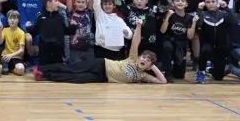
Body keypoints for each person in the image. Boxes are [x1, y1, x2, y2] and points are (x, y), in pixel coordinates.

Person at [34, 15, 166, 84]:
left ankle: (45, 75)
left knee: (76, 79)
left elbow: (162, 81)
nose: (144, 59)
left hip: (103, 77)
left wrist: (152, 66)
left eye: (147, 60)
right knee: (72, 68)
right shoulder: (132, 59)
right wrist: (138, 26)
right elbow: (135, 42)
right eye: (143, 57)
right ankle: (41, 68)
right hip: (101, 64)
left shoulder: (143, 75)